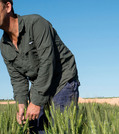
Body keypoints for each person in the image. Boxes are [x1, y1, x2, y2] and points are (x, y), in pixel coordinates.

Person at [0, 0, 80, 133]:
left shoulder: (36, 24)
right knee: (35, 128)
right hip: (40, 85)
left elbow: (47, 62)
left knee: (62, 129)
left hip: (61, 81)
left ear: (8, 7)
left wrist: (36, 102)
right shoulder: (4, 46)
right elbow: (17, 78)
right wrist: (22, 104)